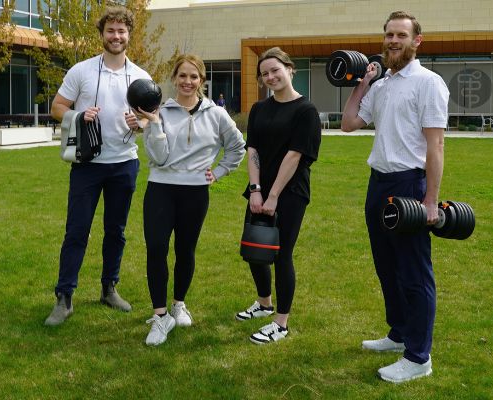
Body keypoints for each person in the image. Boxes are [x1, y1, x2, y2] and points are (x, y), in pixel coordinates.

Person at [341, 11, 449, 383]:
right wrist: (362, 83)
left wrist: (430, 201)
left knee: (414, 273)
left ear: (417, 41)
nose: (393, 40)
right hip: (379, 184)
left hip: (409, 184)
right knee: (387, 267)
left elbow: (435, 145)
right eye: (389, 34)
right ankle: (398, 333)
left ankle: (419, 357)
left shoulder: (428, 83)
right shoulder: (383, 85)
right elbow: (349, 123)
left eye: (401, 35)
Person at [44, 7, 152, 326]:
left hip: (124, 164)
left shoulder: (141, 77)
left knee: (115, 232)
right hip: (87, 165)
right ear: (102, 34)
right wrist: (78, 116)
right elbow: (57, 107)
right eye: (110, 30)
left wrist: (141, 124)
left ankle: (109, 288)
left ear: (129, 34)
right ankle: (64, 297)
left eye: (121, 31)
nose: (116, 36)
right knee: (77, 230)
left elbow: (150, 118)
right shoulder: (82, 71)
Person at [135, 54, 246, 346]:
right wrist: (156, 123)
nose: (187, 82)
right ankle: (160, 317)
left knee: (186, 250)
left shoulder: (217, 114)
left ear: (202, 80)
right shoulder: (158, 111)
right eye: (182, 76)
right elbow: (158, 157)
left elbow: (237, 147)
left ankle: (178, 304)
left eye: (193, 77)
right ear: (174, 79)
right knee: (156, 248)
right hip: (161, 188)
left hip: (195, 192)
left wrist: (220, 170)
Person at [236, 47, 321, 345]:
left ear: (289, 69)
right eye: (264, 74)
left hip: (290, 194)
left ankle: (280, 323)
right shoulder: (260, 109)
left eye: (275, 70)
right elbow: (253, 150)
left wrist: (273, 197)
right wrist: (256, 190)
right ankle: (263, 304)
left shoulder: (306, 111)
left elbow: (295, 156)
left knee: (281, 254)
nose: (270, 77)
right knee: (255, 251)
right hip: (260, 191)